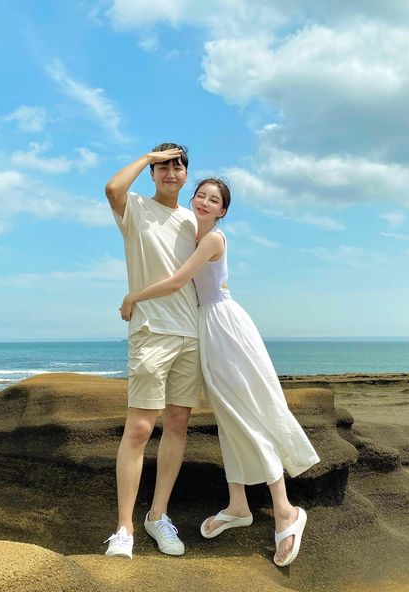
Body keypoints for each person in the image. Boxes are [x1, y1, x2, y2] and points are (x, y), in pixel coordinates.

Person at [119, 177, 320, 567]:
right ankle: (238, 505)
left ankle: (286, 511)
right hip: (204, 328)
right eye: (202, 196)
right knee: (228, 416)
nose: (206, 202)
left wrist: (133, 297)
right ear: (192, 199)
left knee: (247, 414)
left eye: (215, 200)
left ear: (223, 210)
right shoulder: (190, 235)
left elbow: (179, 281)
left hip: (224, 327)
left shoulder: (212, 240)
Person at [103, 144, 203, 560]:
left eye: (178, 165)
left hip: (191, 332)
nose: (171, 171)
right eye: (164, 165)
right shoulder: (136, 208)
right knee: (141, 428)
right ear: (152, 172)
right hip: (150, 330)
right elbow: (111, 188)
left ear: (185, 174)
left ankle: (157, 516)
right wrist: (148, 156)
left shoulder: (193, 220)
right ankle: (124, 527)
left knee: (177, 424)